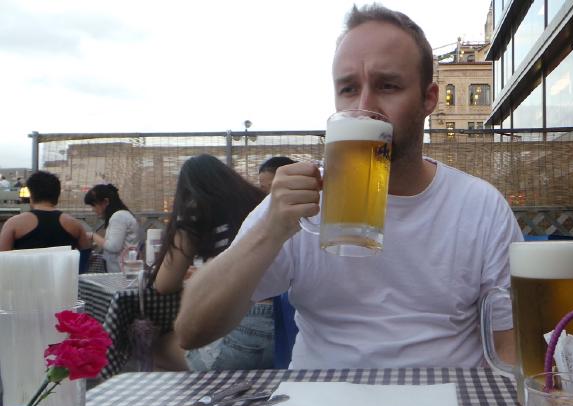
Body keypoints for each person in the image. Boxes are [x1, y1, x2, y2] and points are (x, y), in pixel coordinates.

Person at [175, 4, 521, 369]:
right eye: (348, 89)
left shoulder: (479, 206)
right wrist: (270, 231)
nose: (364, 107)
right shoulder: (300, 201)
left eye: (388, 86)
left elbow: (509, 343)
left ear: (428, 99)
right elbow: (192, 330)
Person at [150, 153, 273, 371]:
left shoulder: (196, 212)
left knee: (155, 347)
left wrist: (183, 229)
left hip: (236, 327)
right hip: (285, 327)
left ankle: (190, 404)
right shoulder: (260, 203)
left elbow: (164, 284)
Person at [0, 171, 91, 251]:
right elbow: (85, 254)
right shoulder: (74, 224)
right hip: (63, 271)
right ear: (57, 195)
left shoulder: (14, 223)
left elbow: (2, 257)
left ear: (31, 195)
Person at [84, 184, 140, 272]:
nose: (93, 209)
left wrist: (93, 236)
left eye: (94, 205)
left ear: (106, 201)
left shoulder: (119, 216)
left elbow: (113, 246)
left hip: (121, 273)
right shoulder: (121, 215)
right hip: (122, 271)